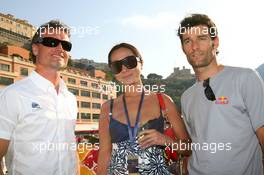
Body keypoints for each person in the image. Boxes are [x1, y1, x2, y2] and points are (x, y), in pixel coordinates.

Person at [177, 14, 264, 175]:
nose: (194, 46)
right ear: (183, 48)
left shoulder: (245, 78)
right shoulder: (186, 97)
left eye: (201, 38)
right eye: (187, 41)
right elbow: (194, 146)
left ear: (215, 42)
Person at [97, 43, 190, 175]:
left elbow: (188, 148)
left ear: (141, 63)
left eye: (130, 62)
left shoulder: (163, 101)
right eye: (117, 66)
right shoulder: (107, 107)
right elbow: (104, 154)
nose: (124, 69)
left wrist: (165, 140)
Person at [0, 20, 79, 175]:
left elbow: (70, 146)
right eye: (51, 42)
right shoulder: (12, 95)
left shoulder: (70, 98)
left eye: (66, 45)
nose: (60, 48)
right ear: (35, 49)